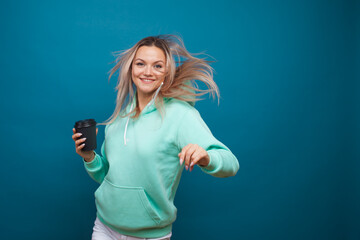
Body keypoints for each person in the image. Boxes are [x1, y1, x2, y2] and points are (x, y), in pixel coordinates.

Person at [72, 34, 239, 240]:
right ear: (131, 68)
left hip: (148, 236)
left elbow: (231, 163)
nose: (148, 72)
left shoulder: (180, 114)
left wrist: (206, 157)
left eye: (157, 66)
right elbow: (107, 176)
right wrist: (89, 157)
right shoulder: (120, 117)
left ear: (166, 72)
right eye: (140, 64)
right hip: (105, 227)